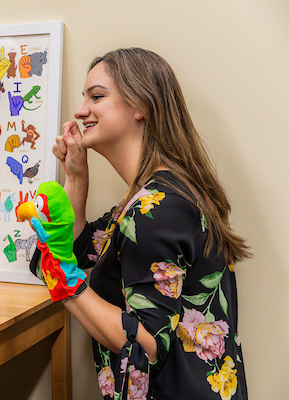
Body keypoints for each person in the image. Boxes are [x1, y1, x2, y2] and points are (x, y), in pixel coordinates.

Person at [41, 48, 249, 399]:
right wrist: (76, 179)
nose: (80, 111)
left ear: (141, 106)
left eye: (97, 96)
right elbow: (80, 249)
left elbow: (146, 343)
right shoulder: (147, 198)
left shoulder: (159, 209)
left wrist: (61, 279)